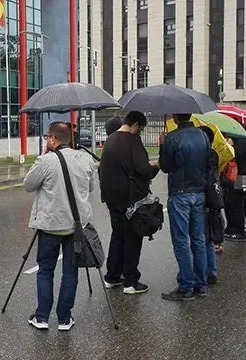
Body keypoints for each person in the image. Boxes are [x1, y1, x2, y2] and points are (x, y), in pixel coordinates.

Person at [23, 122, 96, 331]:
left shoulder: (45, 160)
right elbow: (90, 188)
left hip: (49, 226)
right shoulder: (86, 159)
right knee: (70, 272)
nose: (47, 140)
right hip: (76, 227)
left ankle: (42, 317)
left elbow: (28, 185)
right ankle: (64, 318)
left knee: (45, 270)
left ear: (53, 139)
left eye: (48, 137)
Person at [99, 111, 159, 294]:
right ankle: (130, 282)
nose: (139, 132)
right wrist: (155, 167)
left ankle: (112, 276)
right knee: (133, 237)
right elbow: (143, 169)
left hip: (111, 198)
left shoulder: (110, 140)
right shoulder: (132, 141)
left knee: (118, 236)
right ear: (135, 124)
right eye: (140, 128)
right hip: (130, 199)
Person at [159, 113, 211, 301]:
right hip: (198, 192)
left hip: (180, 192)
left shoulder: (172, 137)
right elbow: (209, 163)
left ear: (174, 117)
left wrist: (162, 145)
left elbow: (165, 166)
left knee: (181, 240)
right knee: (198, 239)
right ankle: (201, 284)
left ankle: (186, 286)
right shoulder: (202, 135)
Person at [199, 126, 223, 285]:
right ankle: (211, 270)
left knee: (200, 236)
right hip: (213, 198)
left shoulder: (201, 154)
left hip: (202, 196)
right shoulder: (214, 154)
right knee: (207, 238)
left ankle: (202, 272)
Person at [224, 134, 246, 241]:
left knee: (240, 204)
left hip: (243, 176)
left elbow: (234, 156)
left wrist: (230, 146)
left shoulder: (242, 142)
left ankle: (240, 232)